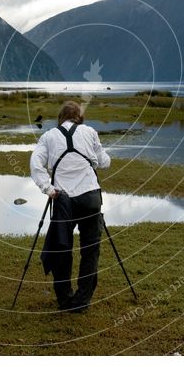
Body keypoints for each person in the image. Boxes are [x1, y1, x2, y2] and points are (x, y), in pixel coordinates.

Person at [30, 100, 111, 312]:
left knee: (61, 248)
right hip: (90, 198)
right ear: (79, 118)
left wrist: (48, 189)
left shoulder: (48, 136)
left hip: (62, 199)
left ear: (60, 117)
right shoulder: (90, 132)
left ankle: (65, 299)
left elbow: (35, 163)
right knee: (90, 250)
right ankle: (82, 301)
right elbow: (104, 162)